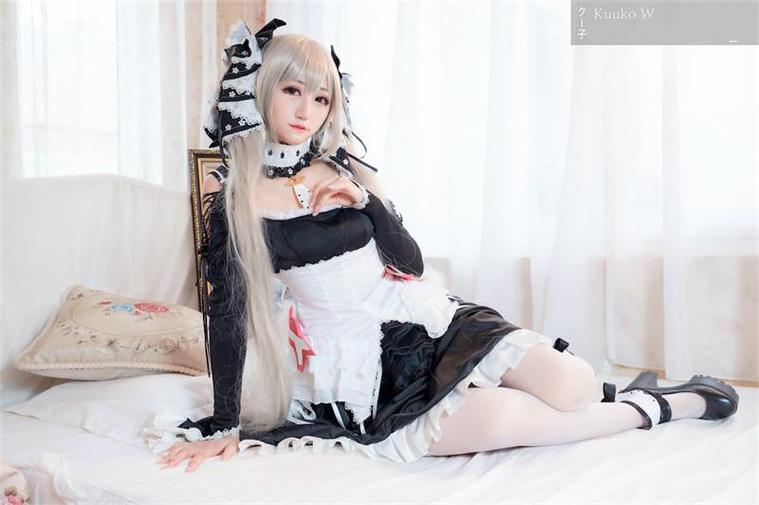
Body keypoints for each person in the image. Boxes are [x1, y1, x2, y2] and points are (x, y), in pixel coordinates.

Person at [152, 18, 739, 472]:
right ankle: (664, 405)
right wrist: (225, 421)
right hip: (360, 372)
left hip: (425, 320)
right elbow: (226, 315)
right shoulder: (235, 202)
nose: (307, 111)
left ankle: (608, 394)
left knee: (574, 385)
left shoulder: (343, 167)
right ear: (262, 91)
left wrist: (367, 201)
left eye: (322, 98)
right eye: (292, 91)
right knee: (505, 419)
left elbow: (408, 264)